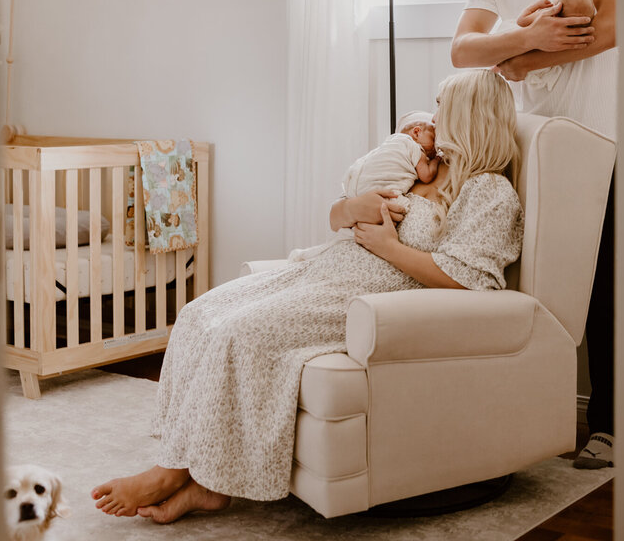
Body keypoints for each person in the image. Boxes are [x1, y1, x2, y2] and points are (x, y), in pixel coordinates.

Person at [91, 69, 524, 523]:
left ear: (469, 117)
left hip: (370, 297)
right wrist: (351, 209)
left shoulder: (489, 191)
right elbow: (339, 212)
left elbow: (469, 279)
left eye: (443, 106)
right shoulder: (419, 162)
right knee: (199, 314)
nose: (433, 117)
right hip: (324, 269)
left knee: (241, 332)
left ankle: (172, 474)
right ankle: (203, 479)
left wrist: (390, 248)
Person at [450, 0, 618, 470]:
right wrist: (524, 37)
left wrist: (520, 58)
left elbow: (610, 28)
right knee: (522, 277)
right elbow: (462, 51)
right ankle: (518, 418)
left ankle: (608, 423)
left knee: (602, 276)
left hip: (599, 133)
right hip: (528, 140)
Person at [287, 111, 440, 262]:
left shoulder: (390, 144)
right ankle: (313, 255)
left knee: (347, 236)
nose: (434, 150)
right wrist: (436, 161)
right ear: (417, 132)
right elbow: (334, 217)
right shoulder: (414, 149)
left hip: (355, 186)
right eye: (433, 141)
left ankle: (310, 254)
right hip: (368, 204)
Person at [508, 0, 597, 92]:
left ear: (556, 10)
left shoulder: (545, 19)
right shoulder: (570, 37)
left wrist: (537, 5)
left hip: (520, 53)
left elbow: (521, 21)